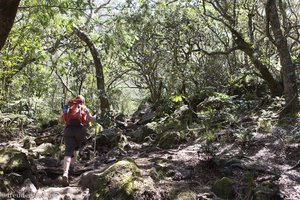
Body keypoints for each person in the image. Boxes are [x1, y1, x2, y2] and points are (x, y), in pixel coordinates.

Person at [59, 95, 97, 186]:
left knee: (68, 151)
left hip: (68, 130)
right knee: (76, 149)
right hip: (80, 130)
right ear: (83, 101)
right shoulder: (84, 108)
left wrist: (64, 120)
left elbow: (60, 119)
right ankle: (72, 165)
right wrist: (96, 116)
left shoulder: (68, 107)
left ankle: (65, 173)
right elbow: (91, 119)